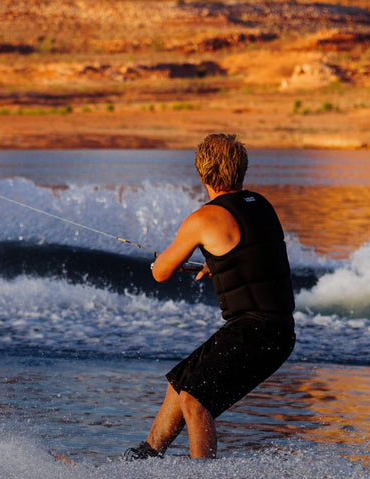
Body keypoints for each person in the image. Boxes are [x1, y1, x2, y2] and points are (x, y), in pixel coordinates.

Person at [126, 133, 296, 460]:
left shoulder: (203, 219)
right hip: (277, 331)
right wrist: (215, 263)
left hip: (255, 332)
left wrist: (165, 262)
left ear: (202, 172)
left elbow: (160, 272)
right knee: (180, 382)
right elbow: (253, 254)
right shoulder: (261, 205)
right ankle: (145, 459)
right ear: (241, 169)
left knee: (194, 398)